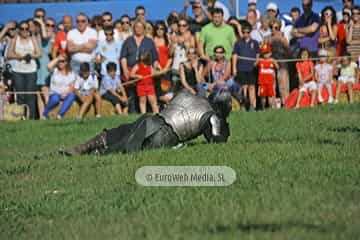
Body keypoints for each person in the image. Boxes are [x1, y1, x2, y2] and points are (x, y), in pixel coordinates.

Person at [60, 88, 231, 156]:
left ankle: (83, 148)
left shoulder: (186, 94)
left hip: (151, 119)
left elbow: (167, 103)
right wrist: (224, 125)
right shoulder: (212, 116)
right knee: (128, 147)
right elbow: (217, 141)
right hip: (166, 136)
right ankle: (97, 154)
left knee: (120, 132)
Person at [120, 18, 159, 113]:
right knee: (133, 96)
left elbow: (155, 57)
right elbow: (123, 57)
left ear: (144, 28)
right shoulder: (128, 41)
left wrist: (154, 69)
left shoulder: (149, 41)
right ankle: (134, 114)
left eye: (141, 27)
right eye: (137, 27)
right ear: (134, 28)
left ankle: (151, 114)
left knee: (149, 96)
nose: (138, 29)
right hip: (131, 72)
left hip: (146, 74)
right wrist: (125, 71)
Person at [6, 20, 42, 119]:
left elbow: (39, 53)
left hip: (31, 71)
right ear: (19, 30)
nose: (24, 30)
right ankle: (21, 117)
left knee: (30, 95)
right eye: (22, 28)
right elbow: (9, 55)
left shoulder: (32, 39)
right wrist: (20, 57)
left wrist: (30, 56)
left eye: (26, 28)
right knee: (20, 95)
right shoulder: (15, 39)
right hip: (18, 71)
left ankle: (31, 117)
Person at [232, 22, 259, 111]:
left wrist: (256, 61)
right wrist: (234, 68)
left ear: (250, 32)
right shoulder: (238, 43)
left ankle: (252, 105)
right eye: (244, 32)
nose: (245, 34)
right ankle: (243, 104)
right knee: (244, 87)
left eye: (247, 32)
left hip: (251, 68)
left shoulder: (255, 43)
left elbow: (257, 54)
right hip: (241, 68)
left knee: (252, 87)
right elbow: (235, 55)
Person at [42, 55, 76, 119]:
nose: (60, 63)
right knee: (55, 99)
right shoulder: (54, 71)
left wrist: (66, 93)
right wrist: (57, 58)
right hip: (55, 93)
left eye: (62, 61)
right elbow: (48, 66)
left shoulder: (71, 73)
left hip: (66, 93)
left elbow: (72, 86)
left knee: (72, 95)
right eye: (59, 61)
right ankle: (45, 113)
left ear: (66, 62)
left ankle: (60, 115)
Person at [266, 18, 290, 106]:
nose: (273, 29)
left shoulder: (283, 37)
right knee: (271, 85)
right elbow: (263, 52)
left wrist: (283, 42)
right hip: (270, 62)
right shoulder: (267, 38)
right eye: (271, 27)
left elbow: (288, 51)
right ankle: (272, 105)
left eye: (276, 28)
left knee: (283, 84)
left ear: (279, 28)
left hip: (282, 61)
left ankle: (286, 103)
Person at [255, 43, 279, 109]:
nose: (266, 55)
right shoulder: (261, 60)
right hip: (262, 82)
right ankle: (263, 107)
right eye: (264, 53)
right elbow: (254, 65)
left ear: (270, 53)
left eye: (267, 53)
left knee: (270, 96)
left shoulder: (272, 60)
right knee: (263, 97)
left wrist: (274, 62)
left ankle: (271, 107)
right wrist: (258, 60)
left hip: (270, 82)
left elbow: (277, 67)